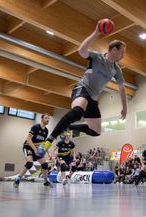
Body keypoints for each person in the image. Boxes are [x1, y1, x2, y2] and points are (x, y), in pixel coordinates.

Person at [43, 20, 127, 151]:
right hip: (82, 89)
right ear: (115, 50)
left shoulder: (116, 70)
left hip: (93, 99)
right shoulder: (97, 57)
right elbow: (81, 51)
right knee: (77, 113)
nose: (123, 55)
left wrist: (125, 107)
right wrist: (96, 32)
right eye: (122, 52)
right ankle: (49, 140)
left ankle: (68, 126)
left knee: (96, 132)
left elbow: (122, 89)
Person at [13, 114, 53, 188]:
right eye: (46, 118)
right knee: (29, 163)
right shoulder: (35, 127)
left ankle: (45, 181)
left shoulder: (46, 131)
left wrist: (49, 153)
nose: (48, 120)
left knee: (45, 164)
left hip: (37, 149)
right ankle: (17, 179)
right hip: (28, 146)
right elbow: (28, 139)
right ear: (42, 119)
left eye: (49, 118)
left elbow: (44, 143)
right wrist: (34, 150)